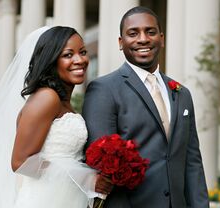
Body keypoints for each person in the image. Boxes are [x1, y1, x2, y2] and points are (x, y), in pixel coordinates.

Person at [83, 6, 209, 208]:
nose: (143, 39)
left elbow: (192, 162)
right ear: (120, 42)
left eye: (150, 32)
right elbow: (100, 166)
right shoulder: (103, 89)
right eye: (133, 33)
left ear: (162, 38)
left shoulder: (182, 93)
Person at [0, 26, 107, 208]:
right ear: (51, 60)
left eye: (83, 52)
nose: (80, 60)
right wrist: (86, 177)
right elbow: (21, 162)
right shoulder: (47, 98)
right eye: (68, 55)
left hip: (64, 198)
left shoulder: (61, 99)